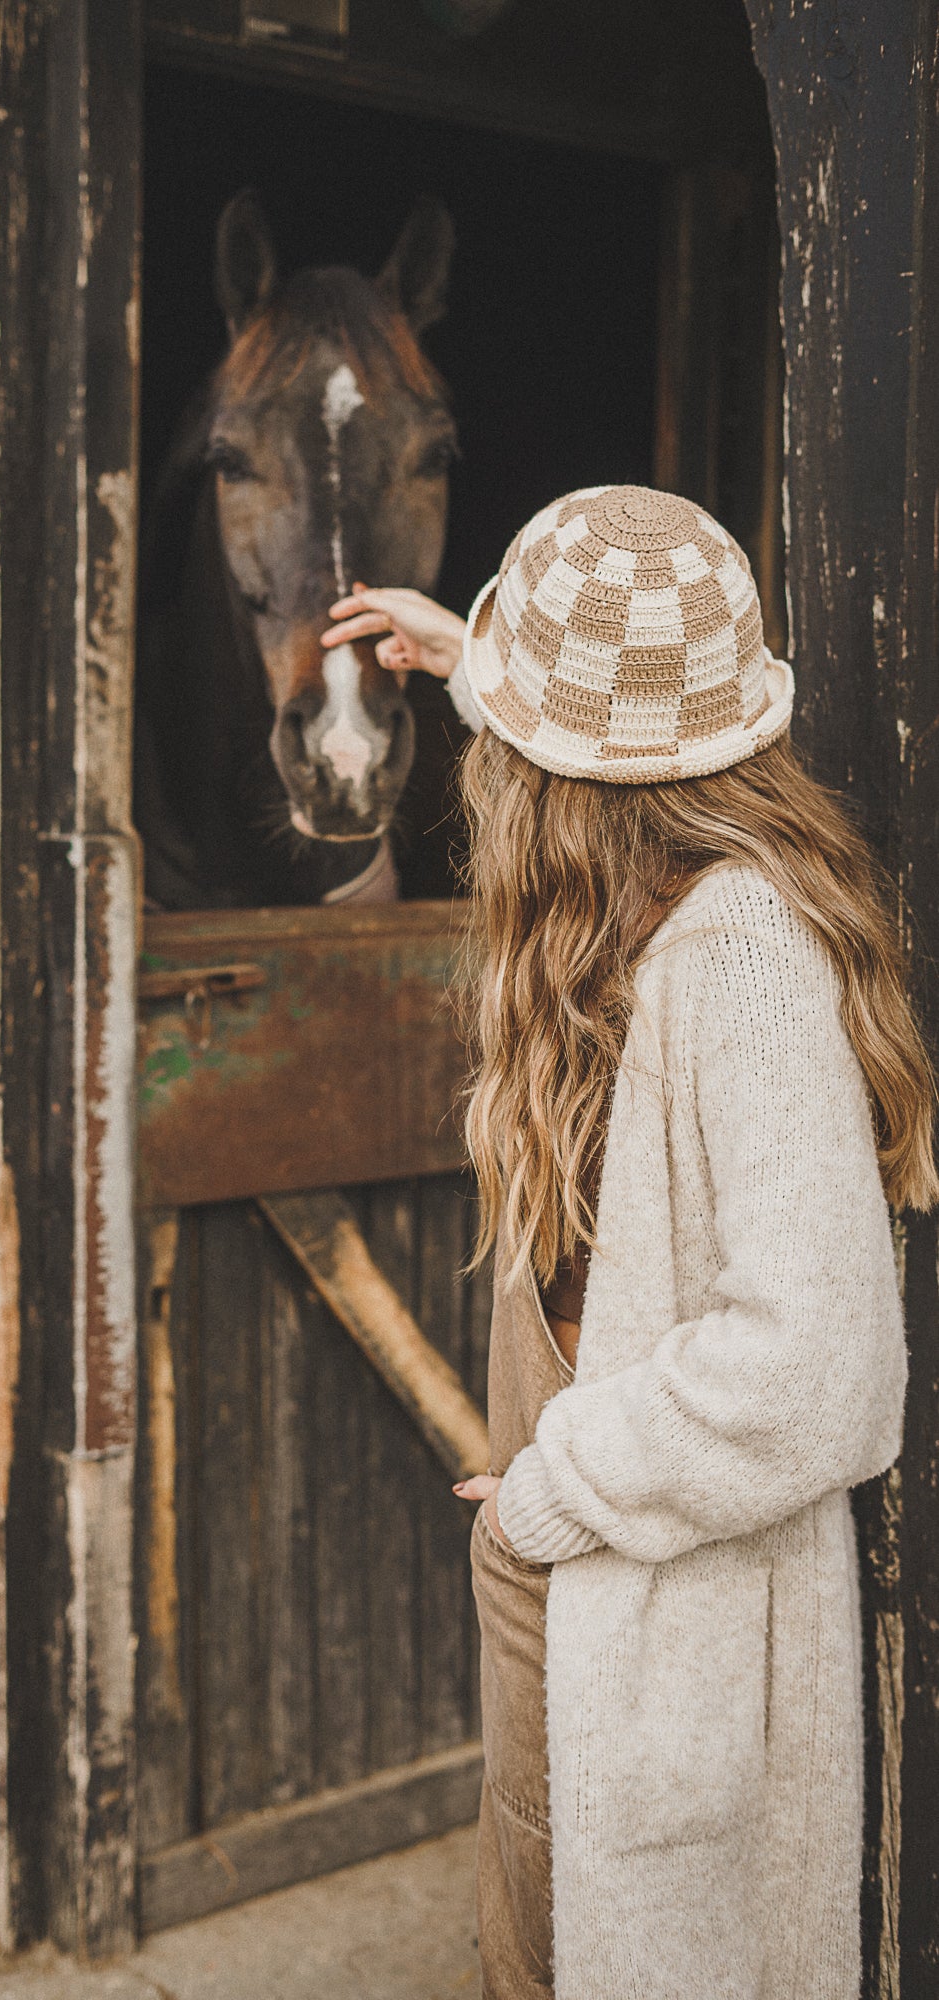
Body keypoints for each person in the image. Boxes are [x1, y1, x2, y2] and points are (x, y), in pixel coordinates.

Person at [321, 485, 937, 2000]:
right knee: (533, 1939)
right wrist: (469, 654)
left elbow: (824, 1366)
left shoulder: (734, 964)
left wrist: (553, 1495)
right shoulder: (649, 885)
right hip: (591, 1581)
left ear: (551, 769)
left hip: (641, 1583)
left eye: (507, 724)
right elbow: (608, 727)